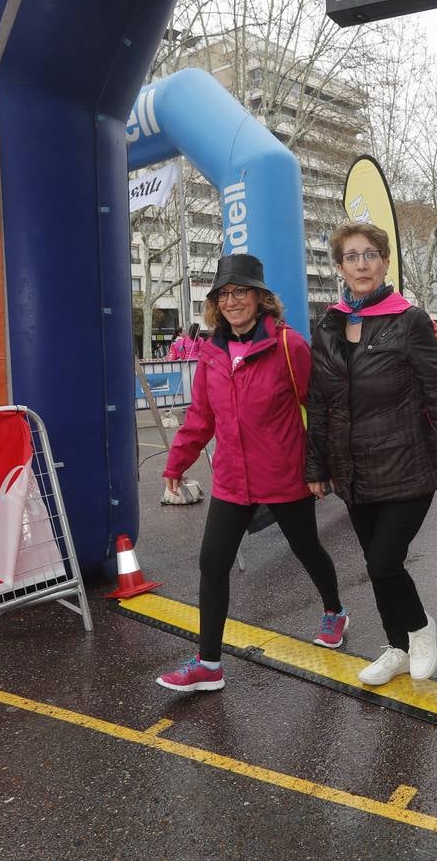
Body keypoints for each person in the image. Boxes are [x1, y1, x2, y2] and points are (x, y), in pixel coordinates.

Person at [156, 253, 346, 693]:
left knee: (307, 548)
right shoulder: (211, 353)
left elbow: (317, 409)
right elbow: (201, 416)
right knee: (212, 562)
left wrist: (322, 468)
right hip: (232, 480)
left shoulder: (288, 345)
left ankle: (335, 610)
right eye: (224, 293)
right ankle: (208, 663)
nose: (232, 300)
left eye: (240, 292)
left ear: (260, 299)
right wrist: (177, 462)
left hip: (283, 474)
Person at [306, 222, 437, 687]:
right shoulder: (329, 324)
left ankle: (421, 629)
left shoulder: (410, 320)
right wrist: (316, 465)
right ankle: (397, 647)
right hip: (353, 473)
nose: (361, 264)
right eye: (350, 256)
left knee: (384, 562)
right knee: (376, 566)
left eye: (369, 255)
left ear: (384, 262)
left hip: (407, 467)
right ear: (339, 267)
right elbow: (319, 401)